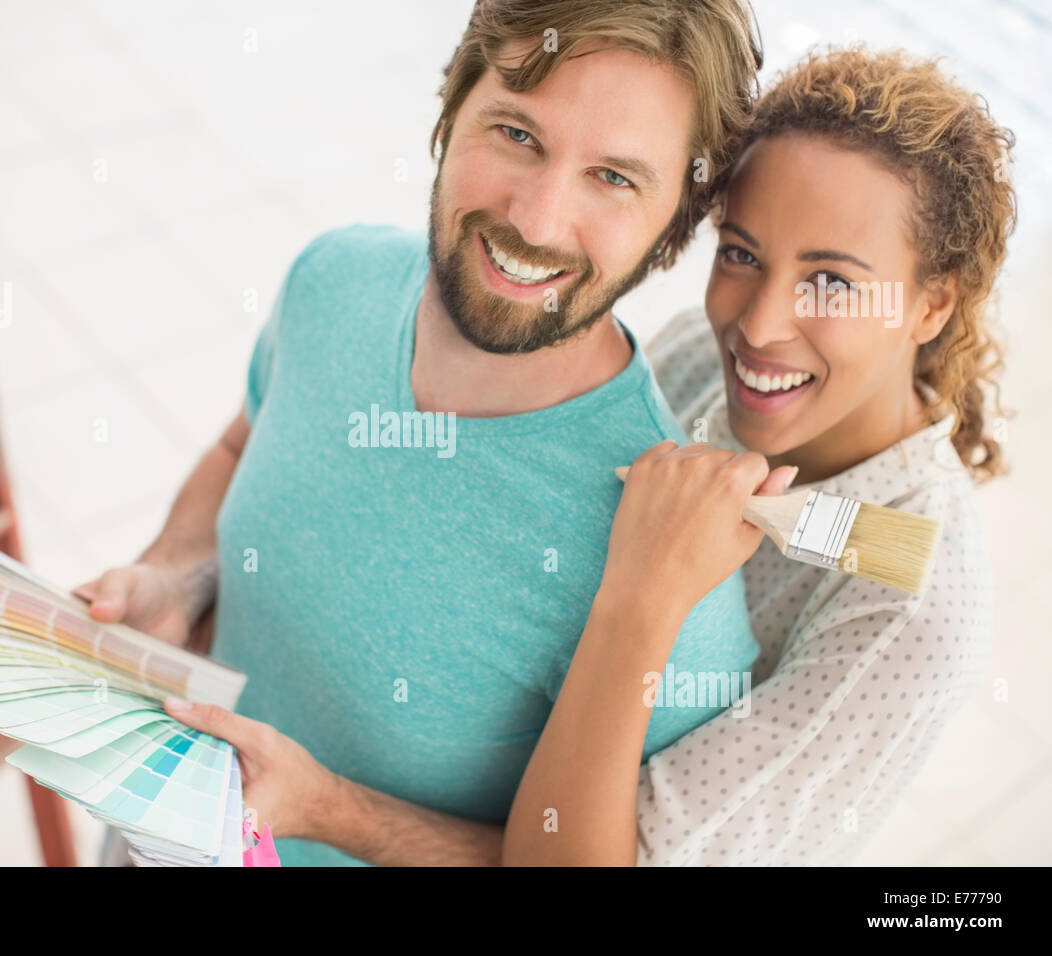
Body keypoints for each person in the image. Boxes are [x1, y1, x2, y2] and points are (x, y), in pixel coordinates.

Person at [76, 0, 768, 866]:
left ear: (674, 226)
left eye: (615, 179)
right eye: (517, 134)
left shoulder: (668, 563)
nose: (538, 220)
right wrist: (180, 576)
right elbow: (238, 446)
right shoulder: (334, 279)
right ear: (452, 107)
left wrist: (330, 810)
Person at [503, 46, 1014, 865]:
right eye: (741, 254)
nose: (760, 325)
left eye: (833, 284)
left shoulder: (911, 615)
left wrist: (645, 597)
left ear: (934, 302)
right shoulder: (704, 360)